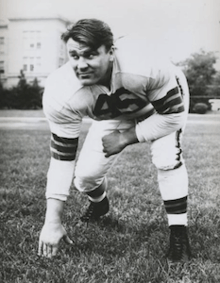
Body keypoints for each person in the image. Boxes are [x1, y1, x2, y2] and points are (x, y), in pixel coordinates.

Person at [38, 18, 191, 262]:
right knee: (86, 177)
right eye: (74, 56)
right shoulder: (61, 90)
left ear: (110, 52)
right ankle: (99, 204)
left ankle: (179, 235)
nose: (81, 64)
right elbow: (62, 158)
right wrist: (52, 222)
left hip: (159, 106)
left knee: (165, 158)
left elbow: (172, 117)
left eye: (89, 55)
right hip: (119, 110)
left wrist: (125, 138)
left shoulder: (144, 65)